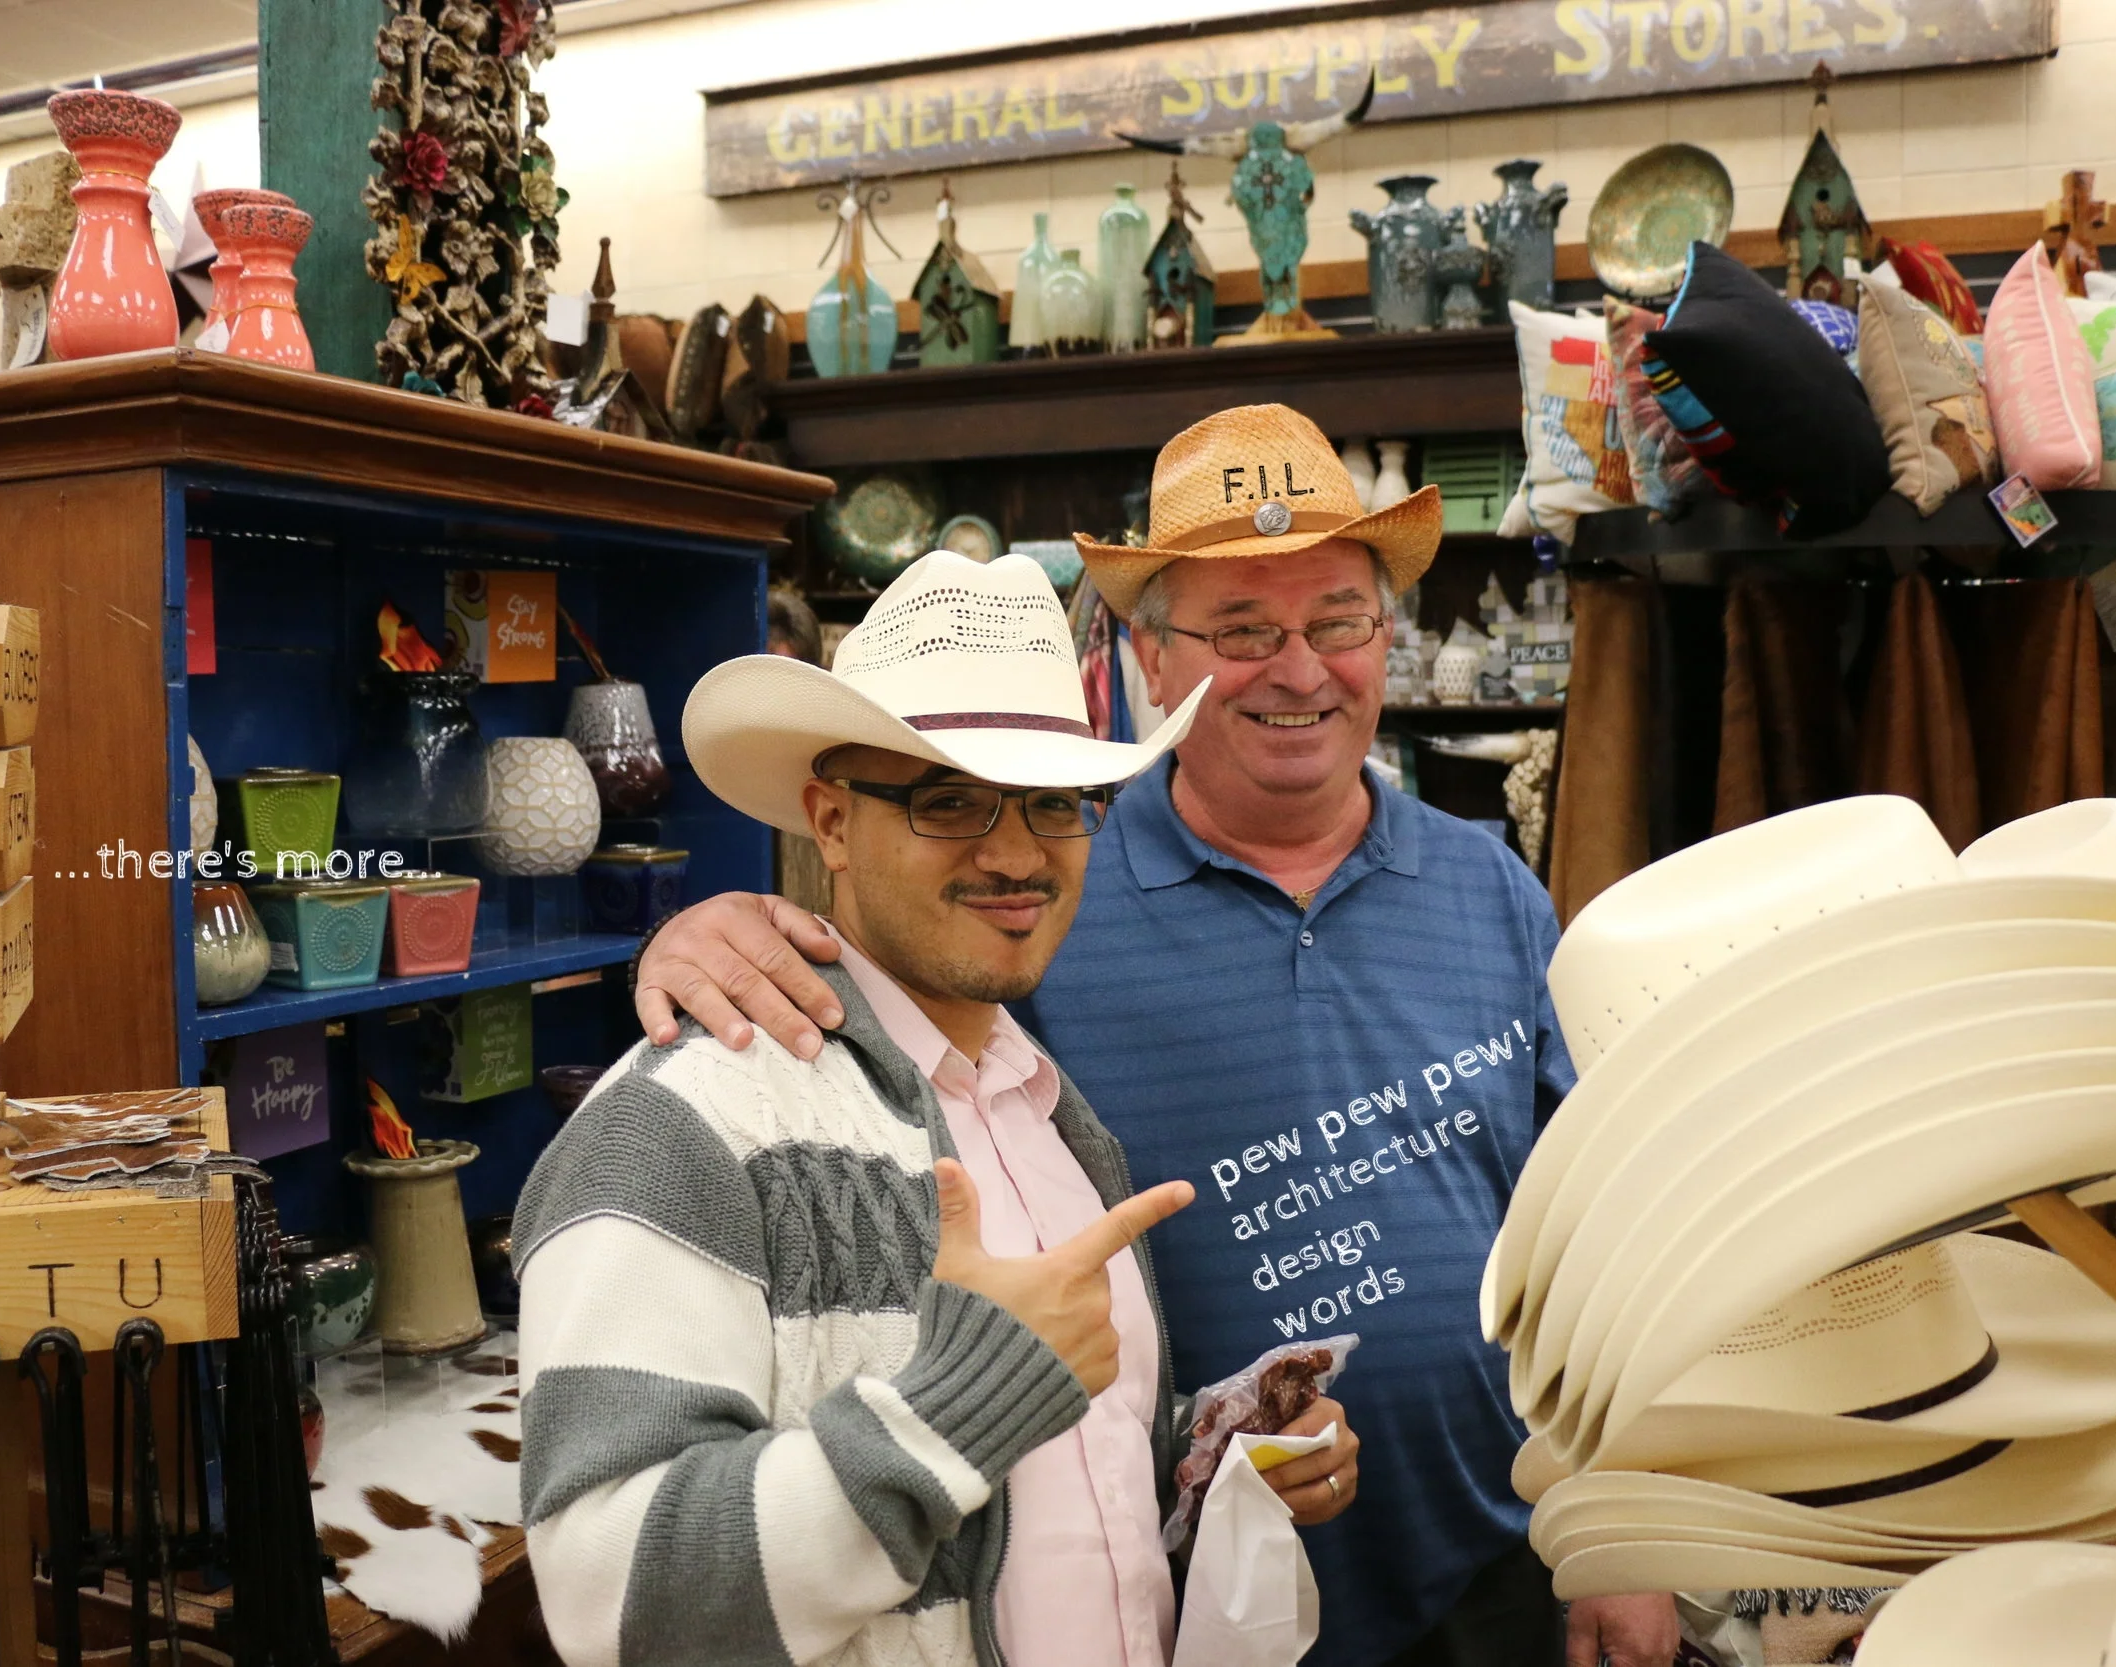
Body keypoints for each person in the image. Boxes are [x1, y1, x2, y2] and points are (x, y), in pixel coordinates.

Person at [634, 407, 1683, 1667]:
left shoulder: (1492, 888)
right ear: (1149, 654)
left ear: (1385, 632)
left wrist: (1622, 1526)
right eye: (1241, 630)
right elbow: (874, 988)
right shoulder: (1036, 896)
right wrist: (708, 930)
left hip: (1493, 1564)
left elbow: (1601, 1236)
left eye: (1338, 621)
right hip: (1172, 1586)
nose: (1300, 670)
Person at [515, 549, 1358, 1667]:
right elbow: (609, 1597)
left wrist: (1212, 1453)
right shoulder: (686, 1121)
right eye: (947, 799)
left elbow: (1047, 1487)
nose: (1014, 852)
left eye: (1053, 801)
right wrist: (964, 1398)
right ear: (830, 822)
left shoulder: (1047, 1110)